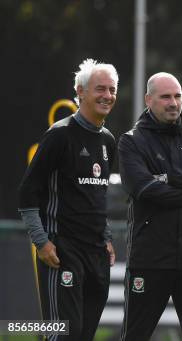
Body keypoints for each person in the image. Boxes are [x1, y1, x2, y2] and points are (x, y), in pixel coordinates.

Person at [118, 72, 182, 341]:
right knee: (135, 335)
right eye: (165, 96)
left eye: (177, 96)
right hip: (149, 259)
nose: (173, 102)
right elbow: (145, 189)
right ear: (148, 99)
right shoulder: (131, 141)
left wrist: (170, 178)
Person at [18, 58, 118, 340]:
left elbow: (96, 195)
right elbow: (27, 192)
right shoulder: (59, 135)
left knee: (85, 334)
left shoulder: (109, 140)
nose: (107, 95)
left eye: (111, 90)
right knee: (62, 334)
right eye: (100, 88)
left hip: (97, 254)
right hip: (62, 252)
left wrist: (106, 236)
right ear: (81, 91)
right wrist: (41, 241)